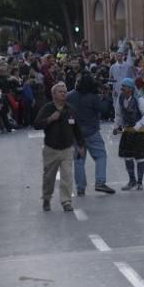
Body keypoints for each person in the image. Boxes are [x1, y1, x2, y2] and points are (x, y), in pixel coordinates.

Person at [34, 82, 85, 211]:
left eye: (65, 91)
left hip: (67, 148)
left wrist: (81, 144)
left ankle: (66, 201)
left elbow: (76, 128)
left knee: (67, 176)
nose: (63, 93)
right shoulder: (48, 108)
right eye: (60, 91)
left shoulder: (70, 109)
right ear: (53, 94)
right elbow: (36, 124)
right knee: (49, 178)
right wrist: (50, 119)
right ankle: (46, 198)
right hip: (51, 149)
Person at [68, 73, 115, 196]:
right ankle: (100, 182)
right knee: (100, 155)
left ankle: (80, 187)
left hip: (75, 133)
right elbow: (104, 109)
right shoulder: (92, 97)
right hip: (91, 131)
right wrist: (105, 96)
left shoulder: (69, 96)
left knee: (79, 160)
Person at [113, 78, 144, 190]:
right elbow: (118, 115)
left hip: (140, 133)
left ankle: (140, 183)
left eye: (123, 87)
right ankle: (132, 181)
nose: (121, 89)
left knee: (140, 158)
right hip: (128, 132)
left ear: (130, 89)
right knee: (128, 157)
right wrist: (116, 127)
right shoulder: (120, 99)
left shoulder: (138, 100)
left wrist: (138, 125)